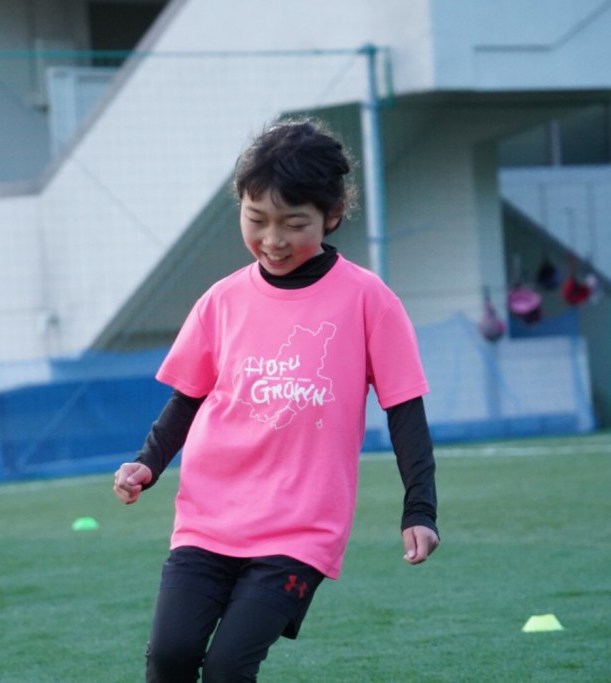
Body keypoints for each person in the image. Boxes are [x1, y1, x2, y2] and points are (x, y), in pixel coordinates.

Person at [113, 118, 439, 681]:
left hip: (299, 533)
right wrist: (148, 462)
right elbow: (188, 399)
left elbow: (405, 412)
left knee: (226, 669)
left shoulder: (369, 300)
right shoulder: (221, 301)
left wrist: (420, 511)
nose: (273, 239)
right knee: (169, 657)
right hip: (209, 520)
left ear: (332, 214)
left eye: (294, 223)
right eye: (256, 219)